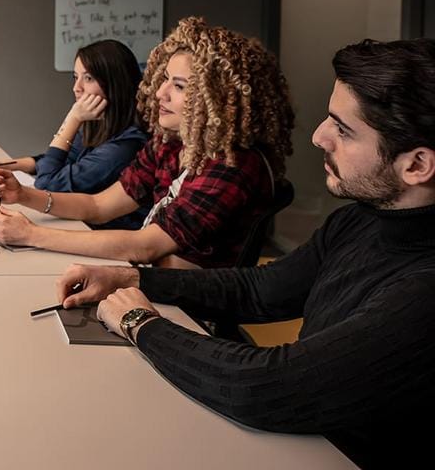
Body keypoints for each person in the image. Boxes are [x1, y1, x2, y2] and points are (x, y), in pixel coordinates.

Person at [59, 38, 435, 469]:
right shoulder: (362, 219)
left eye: (343, 129)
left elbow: (268, 385)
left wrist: (138, 321)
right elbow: (262, 289)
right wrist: (133, 280)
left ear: (417, 165)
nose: (318, 137)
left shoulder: (424, 289)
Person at [0, 17, 293, 268]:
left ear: (221, 99)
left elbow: (145, 246)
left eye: (180, 86)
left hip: (186, 310)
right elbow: (99, 205)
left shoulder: (232, 166)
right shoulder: (169, 145)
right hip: (146, 280)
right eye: (164, 80)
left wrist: (32, 235)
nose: (160, 93)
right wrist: (23, 194)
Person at [0, 39, 148, 228]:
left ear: (114, 84)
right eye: (75, 77)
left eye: (88, 78)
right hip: (78, 226)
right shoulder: (100, 124)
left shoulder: (125, 147)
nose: (76, 87)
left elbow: (47, 185)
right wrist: (7, 165)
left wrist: (72, 119)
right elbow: (57, 160)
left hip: (106, 238)